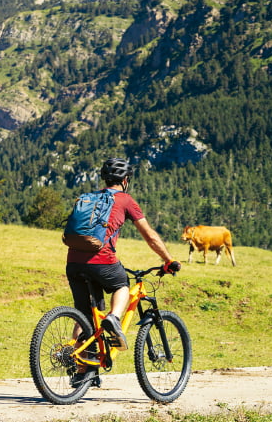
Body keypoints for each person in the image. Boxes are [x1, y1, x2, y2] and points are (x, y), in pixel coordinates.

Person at [66, 158, 180, 385]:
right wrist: (169, 260)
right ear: (125, 180)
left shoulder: (90, 197)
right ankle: (114, 319)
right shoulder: (126, 200)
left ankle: (82, 373)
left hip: (74, 262)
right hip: (102, 260)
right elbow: (150, 236)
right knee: (121, 285)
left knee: (86, 313)